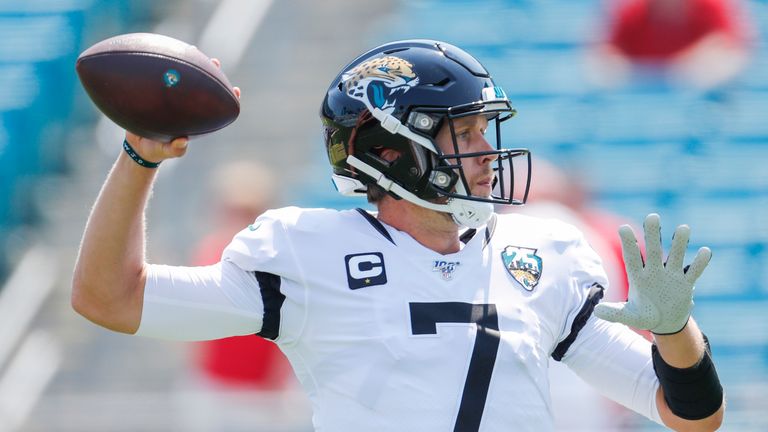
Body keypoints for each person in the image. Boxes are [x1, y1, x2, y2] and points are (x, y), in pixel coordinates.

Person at [72, 40, 724, 431]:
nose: (488, 152)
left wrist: (675, 332)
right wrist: (141, 158)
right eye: (465, 134)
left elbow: (691, 415)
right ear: (393, 152)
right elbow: (110, 299)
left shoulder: (541, 257)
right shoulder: (304, 253)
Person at [588, 0, 752, 90]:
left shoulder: (712, 7)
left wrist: (691, 69)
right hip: (640, 106)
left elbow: (731, 52)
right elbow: (604, 59)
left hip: (701, 103)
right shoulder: (630, 10)